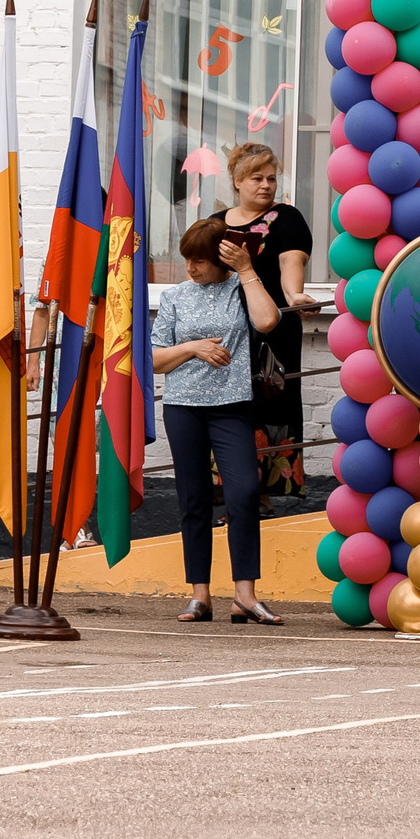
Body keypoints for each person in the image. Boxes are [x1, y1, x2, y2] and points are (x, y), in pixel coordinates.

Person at [153, 216, 284, 625]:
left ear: (222, 260)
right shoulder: (175, 296)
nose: (191, 268)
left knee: (243, 493)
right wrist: (192, 347)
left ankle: (245, 595)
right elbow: (154, 360)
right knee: (193, 500)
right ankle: (200, 596)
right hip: (183, 406)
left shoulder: (241, 289)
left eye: (200, 261)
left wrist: (247, 270)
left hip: (232, 405)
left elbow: (267, 322)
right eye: (187, 259)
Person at [217, 143, 312, 499]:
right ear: (237, 180)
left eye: (272, 178)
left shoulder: (286, 218)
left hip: (274, 330)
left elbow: (291, 262)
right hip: (227, 330)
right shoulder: (215, 225)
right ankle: (232, 492)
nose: (266, 185)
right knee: (229, 406)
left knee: (270, 402)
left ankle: (264, 493)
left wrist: (294, 295)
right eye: (257, 178)